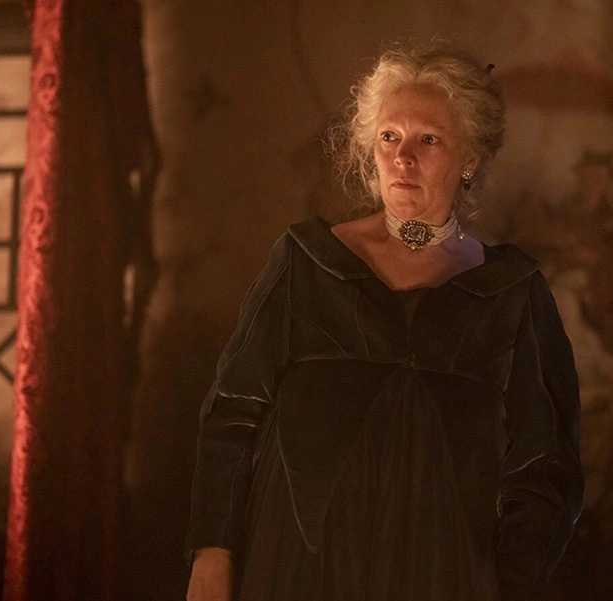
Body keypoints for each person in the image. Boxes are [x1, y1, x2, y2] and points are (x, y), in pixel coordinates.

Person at [185, 42, 583, 601]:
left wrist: (507, 585)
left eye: (429, 140)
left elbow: (547, 466)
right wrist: (213, 551)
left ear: (469, 158)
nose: (403, 157)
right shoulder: (307, 263)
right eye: (390, 137)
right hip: (299, 566)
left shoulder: (511, 293)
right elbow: (231, 412)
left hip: (444, 575)